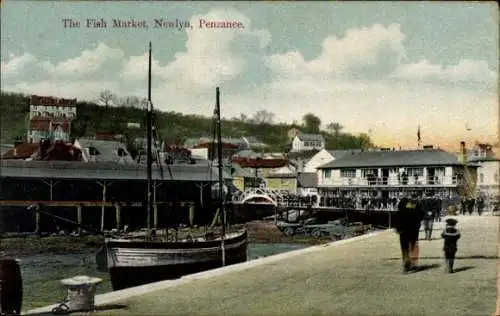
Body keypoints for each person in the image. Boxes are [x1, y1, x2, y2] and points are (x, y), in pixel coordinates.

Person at [395, 192, 425, 273]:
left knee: (404, 248)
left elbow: (397, 220)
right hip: (413, 230)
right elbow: (422, 215)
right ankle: (413, 264)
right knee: (413, 247)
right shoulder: (416, 206)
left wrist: (398, 229)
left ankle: (406, 265)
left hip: (403, 231)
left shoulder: (400, 210)